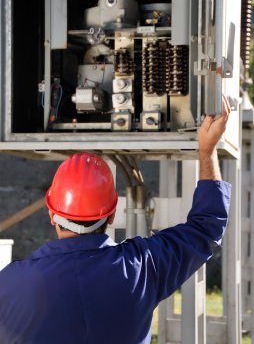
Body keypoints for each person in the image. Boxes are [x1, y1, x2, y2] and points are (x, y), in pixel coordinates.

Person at [0, 95, 231, 344]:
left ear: (51, 213)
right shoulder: (142, 267)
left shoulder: (10, 283)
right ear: (111, 215)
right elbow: (207, 227)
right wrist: (207, 151)